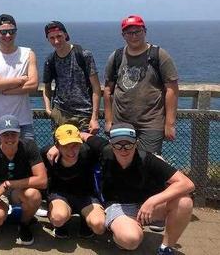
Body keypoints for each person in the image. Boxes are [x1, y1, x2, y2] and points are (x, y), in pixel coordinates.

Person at [101, 123, 194, 254]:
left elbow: (187, 184)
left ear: (136, 143)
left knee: (184, 202)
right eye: (118, 144)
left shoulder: (148, 158)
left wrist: (153, 201)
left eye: (128, 144)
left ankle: (166, 248)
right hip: (119, 205)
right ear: (111, 144)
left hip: (147, 206)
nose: (123, 149)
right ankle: (121, 229)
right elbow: (88, 138)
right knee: (130, 241)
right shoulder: (105, 154)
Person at [104, 15, 179, 154]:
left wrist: (169, 124)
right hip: (121, 122)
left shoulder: (159, 55)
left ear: (145, 31)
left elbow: (172, 90)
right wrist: (108, 121)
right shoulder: (116, 56)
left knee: (148, 164)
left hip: (151, 123)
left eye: (137, 31)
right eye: (129, 33)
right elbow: (108, 89)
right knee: (123, 162)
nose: (134, 36)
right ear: (123, 35)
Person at [0, 115, 47, 246]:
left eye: (13, 134)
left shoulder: (29, 147)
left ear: (19, 134)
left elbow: (42, 180)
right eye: (5, 134)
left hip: (19, 187)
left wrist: (8, 184)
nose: (9, 138)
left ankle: (24, 224)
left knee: (34, 196)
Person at [41, 124, 106, 239]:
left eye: (75, 145)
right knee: (58, 218)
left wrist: (83, 134)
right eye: (65, 146)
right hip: (59, 195)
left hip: (86, 196)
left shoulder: (88, 152)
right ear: (57, 146)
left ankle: (85, 222)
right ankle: (61, 225)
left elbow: (106, 146)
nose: (71, 151)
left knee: (99, 226)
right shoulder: (47, 154)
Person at [0, 14, 38, 141]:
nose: (8, 35)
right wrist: (20, 80)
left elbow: (33, 84)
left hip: (23, 119)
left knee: (28, 157)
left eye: (11, 31)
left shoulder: (28, 54)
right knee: (0, 159)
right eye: (4, 32)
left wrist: (3, 88)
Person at [42, 21, 101, 133]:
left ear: (66, 34)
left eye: (59, 36)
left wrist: (94, 118)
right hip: (60, 113)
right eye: (52, 38)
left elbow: (96, 88)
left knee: (85, 149)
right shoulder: (50, 60)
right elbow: (46, 87)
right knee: (61, 149)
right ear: (48, 39)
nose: (56, 41)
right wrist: (48, 109)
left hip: (84, 114)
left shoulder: (84, 55)